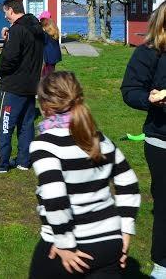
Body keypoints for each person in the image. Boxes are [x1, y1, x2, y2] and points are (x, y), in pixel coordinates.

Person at [30, 71, 140, 277]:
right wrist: (125, 232)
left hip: (69, 247)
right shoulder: (100, 139)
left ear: (44, 105)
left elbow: (54, 197)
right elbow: (129, 183)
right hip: (109, 244)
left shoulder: (44, 144)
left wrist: (64, 244)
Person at [121, 1, 166, 279]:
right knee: (164, 204)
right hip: (162, 141)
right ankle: (162, 264)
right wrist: (150, 99)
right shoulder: (148, 54)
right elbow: (130, 90)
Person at [0, 0, 43, 173]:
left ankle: (0, 163)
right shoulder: (36, 28)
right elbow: (27, 54)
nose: (5, 16)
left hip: (14, 85)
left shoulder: (17, 29)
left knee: (4, 123)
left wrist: (2, 72)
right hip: (31, 84)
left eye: (5, 12)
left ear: (11, 10)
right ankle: (24, 160)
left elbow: (10, 58)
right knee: (26, 124)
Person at [39, 11, 62, 77]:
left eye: (41, 21)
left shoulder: (46, 33)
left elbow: (43, 41)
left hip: (48, 58)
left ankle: (48, 85)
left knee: (46, 75)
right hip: (54, 57)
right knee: (51, 72)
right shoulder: (53, 29)